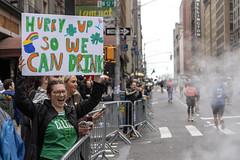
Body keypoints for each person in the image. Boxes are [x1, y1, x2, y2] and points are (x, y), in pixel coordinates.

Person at [15, 56, 104, 160]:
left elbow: (93, 100)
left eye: (63, 91)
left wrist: (97, 76)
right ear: (48, 95)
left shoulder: (71, 111)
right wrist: (20, 73)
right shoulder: (40, 111)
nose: (61, 95)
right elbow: (20, 101)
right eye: (56, 92)